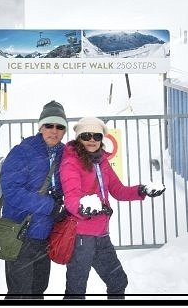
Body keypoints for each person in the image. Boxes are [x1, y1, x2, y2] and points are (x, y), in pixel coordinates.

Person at [59, 117, 166, 299]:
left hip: (101, 235)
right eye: (86, 135)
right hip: (81, 237)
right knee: (76, 292)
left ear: (102, 139)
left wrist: (142, 190)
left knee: (117, 282)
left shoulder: (102, 162)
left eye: (96, 136)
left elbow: (119, 191)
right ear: (78, 139)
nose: (92, 140)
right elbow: (71, 198)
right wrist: (84, 208)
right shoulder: (71, 163)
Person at [0, 100, 69, 299]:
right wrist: (49, 205)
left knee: (38, 289)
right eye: (49, 125)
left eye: (60, 126)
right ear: (40, 127)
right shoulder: (23, 152)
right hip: (20, 233)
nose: (54, 131)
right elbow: (12, 191)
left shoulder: (65, 154)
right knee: (20, 293)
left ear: (64, 130)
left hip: (44, 235)